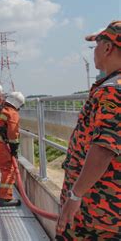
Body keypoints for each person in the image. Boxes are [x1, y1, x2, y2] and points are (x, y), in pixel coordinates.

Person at [55, 20, 121, 240]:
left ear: (107, 47)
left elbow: (104, 148)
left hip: (96, 213)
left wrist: (75, 195)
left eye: (96, 45)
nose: (94, 52)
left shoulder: (112, 91)